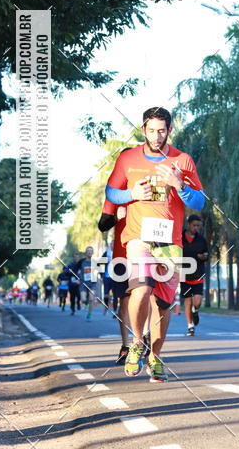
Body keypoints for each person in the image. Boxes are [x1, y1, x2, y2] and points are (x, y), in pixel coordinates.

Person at [105, 106, 205, 381]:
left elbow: (200, 201)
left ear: (169, 130)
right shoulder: (128, 158)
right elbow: (111, 192)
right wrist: (132, 193)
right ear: (143, 130)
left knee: (162, 305)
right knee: (141, 287)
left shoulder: (183, 160)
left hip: (170, 243)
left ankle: (156, 357)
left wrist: (179, 185)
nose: (156, 136)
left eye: (162, 131)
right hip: (138, 237)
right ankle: (138, 342)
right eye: (151, 130)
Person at [99, 200, 133, 364]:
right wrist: (115, 218)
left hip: (147, 256)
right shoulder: (117, 195)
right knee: (124, 303)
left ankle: (144, 340)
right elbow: (102, 225)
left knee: (147, 298)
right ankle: (126, 346)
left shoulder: (154, 191)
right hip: (122, 258)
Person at [181, 214, 208, 336]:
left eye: (198, 226)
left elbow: (207, 254)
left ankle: (195, 310)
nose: (196, 228)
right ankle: (190, 326)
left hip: (198, 274)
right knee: (188, 301)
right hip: (184, 274)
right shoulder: (180, 237)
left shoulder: (201, 239)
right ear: (188, 224)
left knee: (197, 301)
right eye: (194, 225)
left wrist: (203, 256)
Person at [78, 246, 96, 320]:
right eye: (88, 250)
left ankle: (89, 313)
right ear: (86, 252)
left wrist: (101, 277)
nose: (89, 252)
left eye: (91, 251)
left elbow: (100, 270)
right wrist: (77, 278)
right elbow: (76, 269)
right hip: (83, 283)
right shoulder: (82, 262)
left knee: (91, 299)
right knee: (83, 299)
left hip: (92, 283)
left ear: (93, 252)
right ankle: (85, 303)